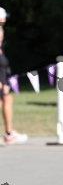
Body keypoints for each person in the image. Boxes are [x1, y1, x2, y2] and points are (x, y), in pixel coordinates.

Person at [0, 8, 28, 145]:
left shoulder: (0, 30)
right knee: (4, 99)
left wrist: (4, 79)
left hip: (2, 73)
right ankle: (9, 134)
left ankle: (9, 133)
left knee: (7, 99)